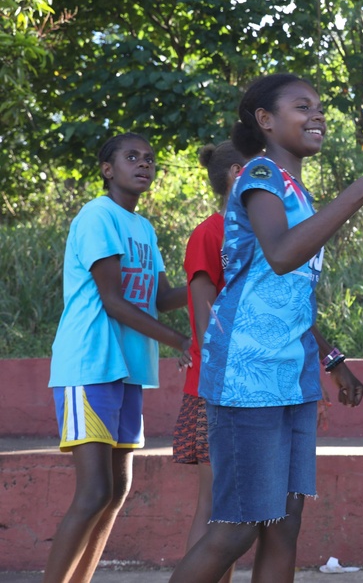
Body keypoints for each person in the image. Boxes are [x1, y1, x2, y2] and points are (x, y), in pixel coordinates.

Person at [168, 73, 363, 583]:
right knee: (238, 528)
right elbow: (280, 255)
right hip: (247, 377)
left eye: (319, 106)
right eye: (303, 106)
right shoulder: (259, 174)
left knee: (284, 524)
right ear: (265, 120)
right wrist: (362, 189)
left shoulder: (297, 190)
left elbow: (286, 295)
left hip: (290, 376)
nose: (317, 115)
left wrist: (331, 360)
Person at [44, 133, 192, 583]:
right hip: (88, 364)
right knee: (94, 491)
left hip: (127, 373)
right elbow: (112, 300)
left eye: (150, 158)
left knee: (117, 489)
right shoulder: (97, 215)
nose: (144, 164)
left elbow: (160, 296)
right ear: (108, 169)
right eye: (132, 157)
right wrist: (179, 340)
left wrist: (212, 282)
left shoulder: (142, 228)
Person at [172, 141, 249, 583]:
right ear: (239, 173)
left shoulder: (259, 234)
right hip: (216, 388)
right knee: (216, 504)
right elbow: (206, 324)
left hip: (244, 388)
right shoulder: (210, 232)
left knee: (230, 507)